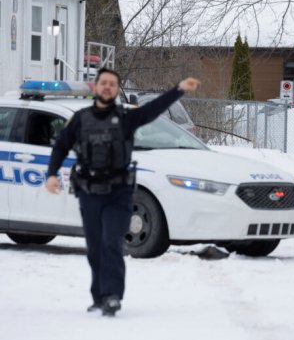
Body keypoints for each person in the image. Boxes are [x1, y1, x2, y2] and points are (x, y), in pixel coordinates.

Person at [45, 68, 200, 317]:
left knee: (111, 243)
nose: (107, 87)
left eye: (112, 84)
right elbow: (61, 146)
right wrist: (51, 174)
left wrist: (179, 89)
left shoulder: (126, 118)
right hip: (88, 192)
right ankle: (99, 296)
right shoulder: (80, 119)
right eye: (103, 83)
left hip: (119, 193)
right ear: (95, 88)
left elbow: (154, 109)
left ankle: (113, 296)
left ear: (117, 90)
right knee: (95, 247)